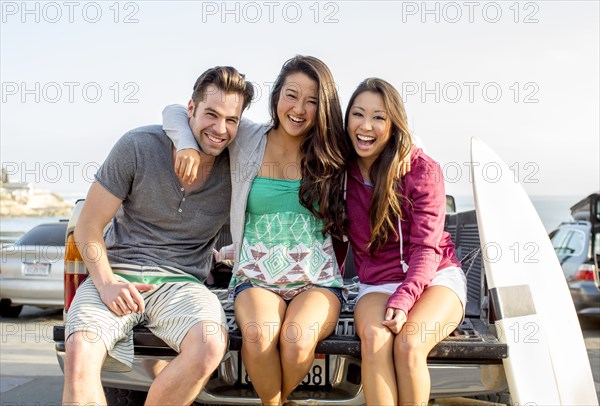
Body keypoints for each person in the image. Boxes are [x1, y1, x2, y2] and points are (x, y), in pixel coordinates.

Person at [62, 66, 255, 406]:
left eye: (231, 120)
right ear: (191, 109)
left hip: (183, 285)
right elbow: (88, 225)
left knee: (210, 343)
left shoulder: (238, 164)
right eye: (211, 114)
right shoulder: (138, 146)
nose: (220, 129)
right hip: (117, 273)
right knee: (79, 354)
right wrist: (106, 283)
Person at [163, 55, 347, 405]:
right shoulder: (247, 137)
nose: (299, 108)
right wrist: (186, 145)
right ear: (277, 95)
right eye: (292, 95)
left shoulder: (333, 150)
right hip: (256, 277)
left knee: (295, 341)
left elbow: (384, 139)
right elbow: (174, 111)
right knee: (259, 337)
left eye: (312, 101)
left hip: (317, 281)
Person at [335, 78, 467, 405]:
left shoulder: (422, 170)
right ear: (346, 120)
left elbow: (427, 248)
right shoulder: (338, 170)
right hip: (378, 283)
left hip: (434, 277)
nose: (366, 126)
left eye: (379, 117)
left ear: (394, 124)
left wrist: (405, 298)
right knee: (375, 339)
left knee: (409, 344)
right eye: (358, 114)